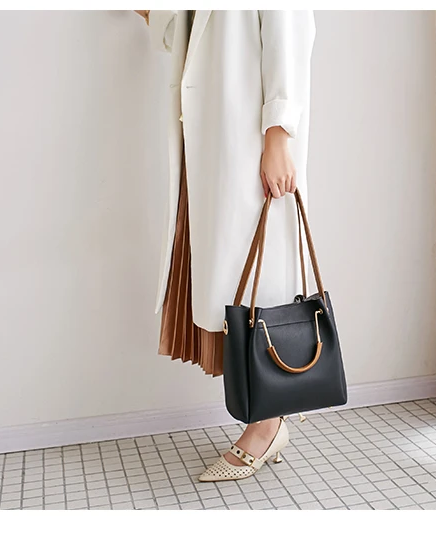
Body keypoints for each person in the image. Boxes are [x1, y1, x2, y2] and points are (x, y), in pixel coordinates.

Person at [135, 9, 316, 482]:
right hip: (211, 134)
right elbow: (190, 34)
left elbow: (289, 33)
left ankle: (268, 424)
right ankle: (266, 416)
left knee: (262, 279)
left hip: (250, 139)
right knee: (233, 285)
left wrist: (278, 135)